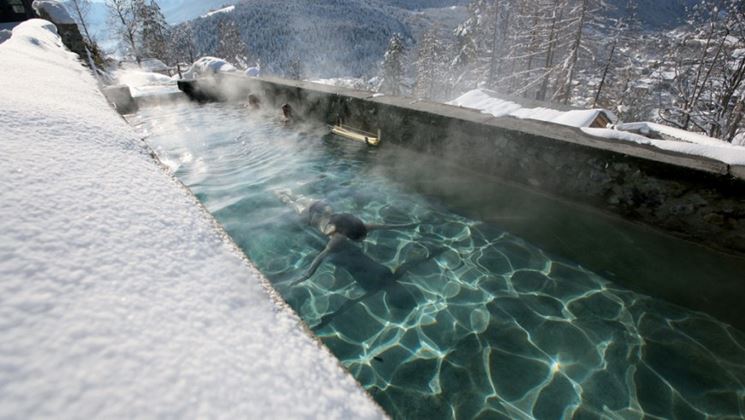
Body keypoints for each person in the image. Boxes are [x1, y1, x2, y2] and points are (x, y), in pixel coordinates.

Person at [276, 189, 415, 284]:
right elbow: (320, 258)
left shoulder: (358, 226)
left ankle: (280, 190)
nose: (363, 239)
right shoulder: (338, 239)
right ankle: (279, 193)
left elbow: (384, 226)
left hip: (320, 206)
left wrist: (407, 225)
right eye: (360, 238)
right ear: (348, 234)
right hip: (309, 215)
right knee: (290, 203)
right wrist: (305, 276)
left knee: (298, 198)